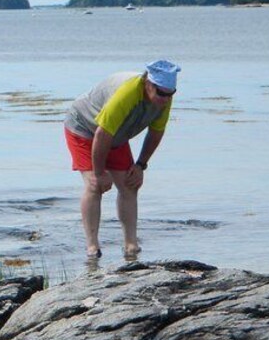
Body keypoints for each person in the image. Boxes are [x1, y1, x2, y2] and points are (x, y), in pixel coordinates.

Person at [63, 60, 181, 260]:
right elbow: (102, 134)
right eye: (161, 93)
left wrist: (140, 165)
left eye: (170, 94)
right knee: (95, 185)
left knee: (130, 183)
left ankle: (130, 245)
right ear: (147, 83)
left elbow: (156, 132)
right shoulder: (127, 94)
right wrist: (100, 173)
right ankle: (92, 247)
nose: (165, 99)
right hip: (83, 127)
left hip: (115, 134)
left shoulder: (164, 101)